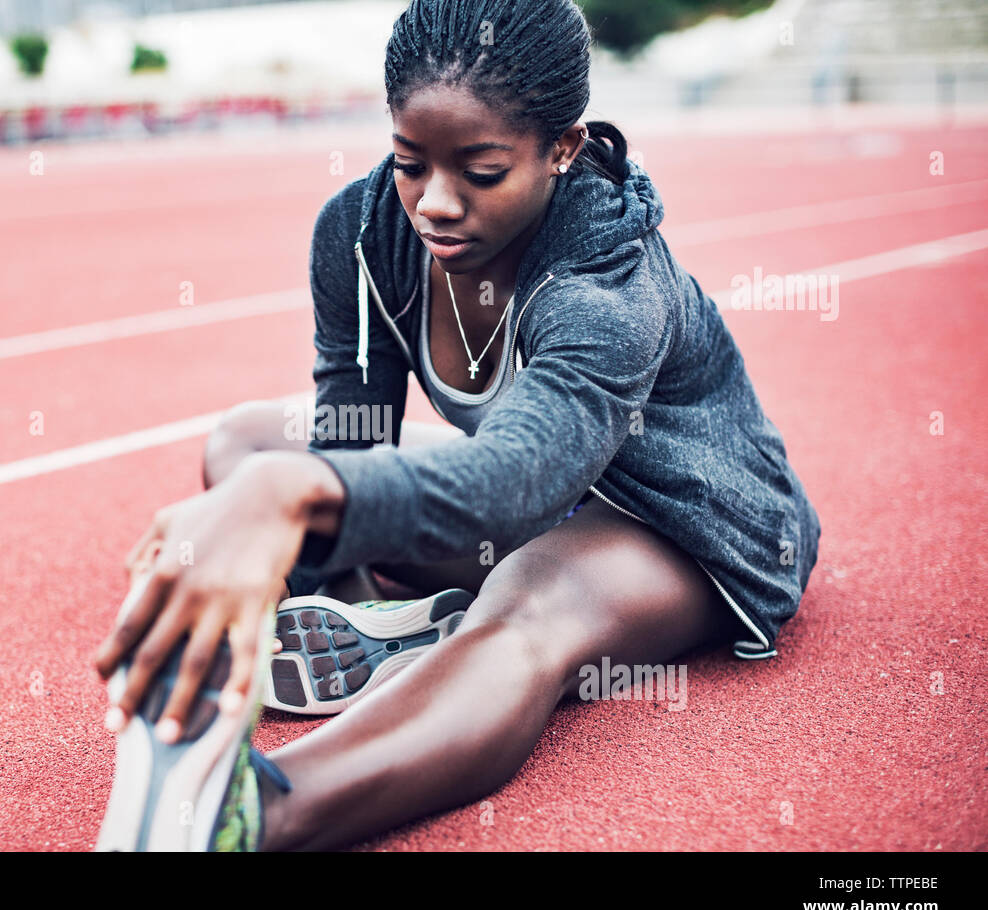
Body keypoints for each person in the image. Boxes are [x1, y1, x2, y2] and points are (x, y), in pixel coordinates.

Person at [92, 0, 822, 852]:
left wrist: (289, 505)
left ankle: (257, 809)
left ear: (562, 149)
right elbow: (353, 435)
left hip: (691, 521)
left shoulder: (609, 289)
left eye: (479, 171)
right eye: (411, 162)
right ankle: (406, 630)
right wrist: (295, 540)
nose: (434, 203)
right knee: (248, 447)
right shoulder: (364, 232)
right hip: (537, 495)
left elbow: (513, 485)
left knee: (535, 599)